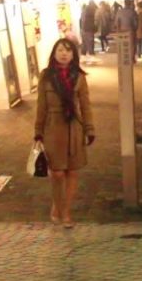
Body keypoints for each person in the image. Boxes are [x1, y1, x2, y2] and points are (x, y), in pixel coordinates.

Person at [34, 38, 95, 228]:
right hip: (53, 128)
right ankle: (57, 206)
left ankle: (65, 211)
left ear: (73, 55)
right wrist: (38, 132)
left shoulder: (79, 77)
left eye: (68, 51)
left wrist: (89, 128)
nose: (64, 54)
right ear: (54, 53)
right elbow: (41, 106)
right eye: (60, 50)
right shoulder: (46, 76)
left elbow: (85, 105)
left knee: (72, 171)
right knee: (57, 172)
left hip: (74, 128)